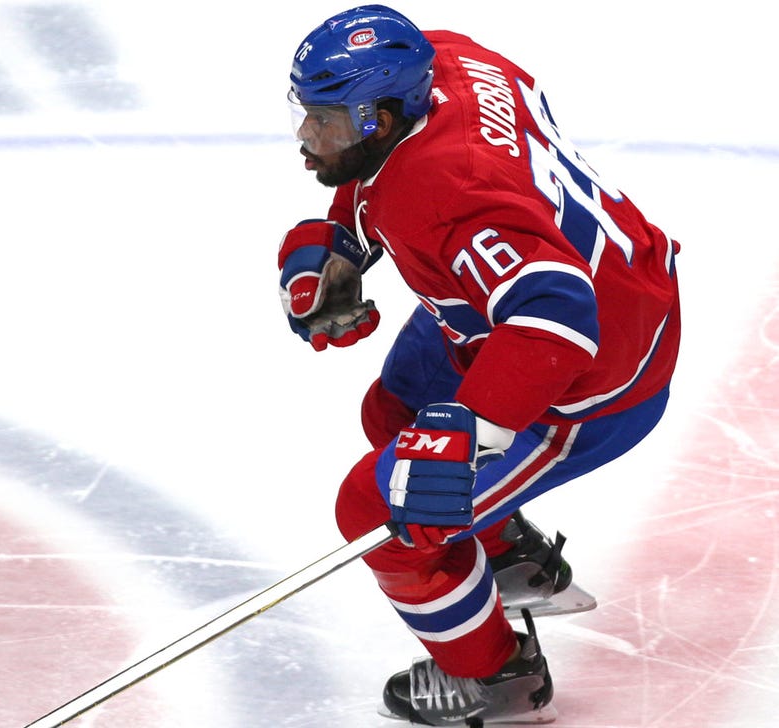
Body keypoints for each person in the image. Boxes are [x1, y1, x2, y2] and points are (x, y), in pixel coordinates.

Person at [277, 5, 680, 725]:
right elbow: (424, 176)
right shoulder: (445, 61)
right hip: (570, 296)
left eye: (327, 121)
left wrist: (474, 428)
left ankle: (498, 678)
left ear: (383, 118)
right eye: (307, 112)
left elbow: (557, 313)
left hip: (589, 380)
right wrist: (343, 234)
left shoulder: (449, 196)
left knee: (380, 510)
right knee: (396, 411)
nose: (307, 135)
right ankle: (507, 556)